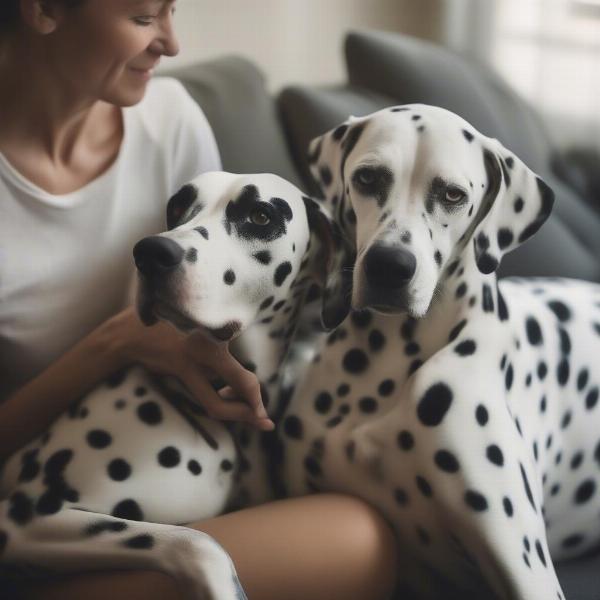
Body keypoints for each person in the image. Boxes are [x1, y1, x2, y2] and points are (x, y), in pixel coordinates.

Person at [0, 1, 399, 599]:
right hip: (37, 499)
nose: (171, 43)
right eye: (143, 17)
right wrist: (116, 342)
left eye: (171, 11)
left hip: (170, 468)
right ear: (45, 9)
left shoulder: (170, 117)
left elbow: (238, 294)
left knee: (358, 537)